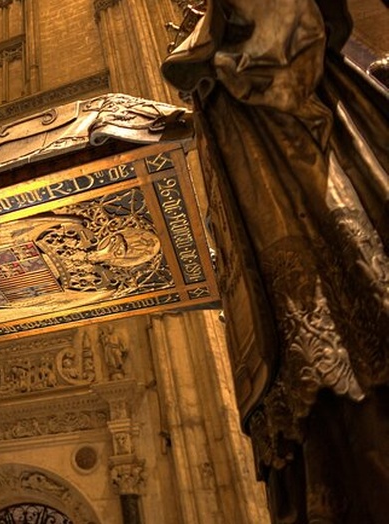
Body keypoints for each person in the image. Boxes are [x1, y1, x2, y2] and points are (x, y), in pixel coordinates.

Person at [162, 1, 388, 522]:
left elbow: (287, 43)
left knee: (337, 319)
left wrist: (207, 55)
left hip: (296, 156)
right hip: (255, 173)